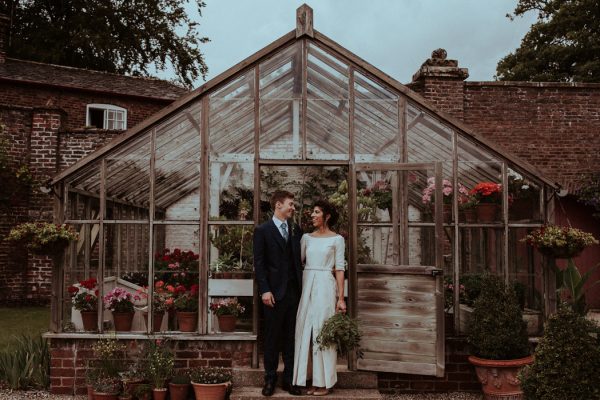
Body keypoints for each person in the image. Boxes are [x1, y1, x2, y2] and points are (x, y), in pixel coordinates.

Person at [293, 199, 346, 396]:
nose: (312, 215)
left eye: (316, 212)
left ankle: (325, 382)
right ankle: (307, 379)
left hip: (325, 285)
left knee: (323, 332)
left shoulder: (337, 240)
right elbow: (296, 265)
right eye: (312, 212)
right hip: (307, 285)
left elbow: (340, 269)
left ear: (327, 216)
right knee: (304, 329)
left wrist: (341, 298)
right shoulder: (306, 238)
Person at [253, 190, 303, 396]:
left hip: (293, 293)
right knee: (272, 338)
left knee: (291, 338)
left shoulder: (295, 229)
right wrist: (265, 290)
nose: (293, 207)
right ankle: (270, 379)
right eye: (290, 204)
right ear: (278, 205)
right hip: (273, 294)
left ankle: (289, 380)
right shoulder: (262, 231)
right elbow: (260, 263)